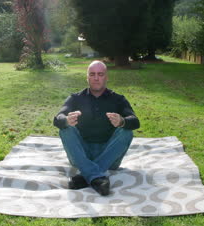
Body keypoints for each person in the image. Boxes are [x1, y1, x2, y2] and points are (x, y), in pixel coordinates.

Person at [53, 60, 140, 196]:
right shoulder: (75, 98)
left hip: (109, 155)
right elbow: (57, 119)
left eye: (100, 74)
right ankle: (97, 178)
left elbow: (135, 122)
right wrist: (66, 120)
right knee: (65, 129)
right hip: (81, 154)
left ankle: (84, 177)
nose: (96, 78)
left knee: (126, 132)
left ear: (106, 77)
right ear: (87, 77)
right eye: (92, 74)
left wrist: (122, 121)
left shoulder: (118, 99)